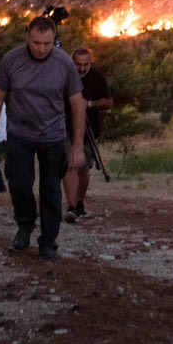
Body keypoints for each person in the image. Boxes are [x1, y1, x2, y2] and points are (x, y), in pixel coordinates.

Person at [0, 16, 86, 260]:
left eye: (47, 44)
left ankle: (48, 240)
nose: (41, 49)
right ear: (28, 37)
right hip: (20, 134)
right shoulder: (11, 60)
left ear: (54, 40)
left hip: (52, 136)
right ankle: (25, 224)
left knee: (50, 188)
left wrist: (77, 146)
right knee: (19, 182)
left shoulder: (64, 63)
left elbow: (77, 103)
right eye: (36, 42)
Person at [62, 47, 113, 223]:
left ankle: (79, 202)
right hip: (66, 127)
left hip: (88, 129)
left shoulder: (97, 77)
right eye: (78, 64)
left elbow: (108, 102)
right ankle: (71, 206)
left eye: (86, 64)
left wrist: (88, 104)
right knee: (70, 165)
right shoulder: (65, 75)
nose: (82, 68)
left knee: (83, 169)